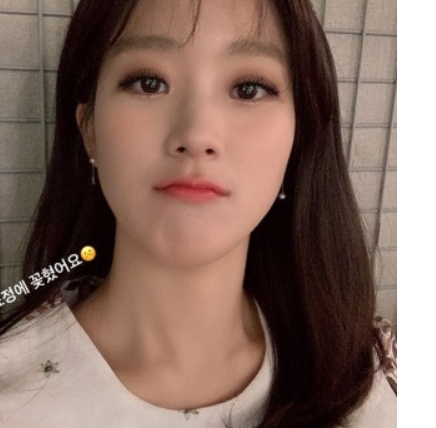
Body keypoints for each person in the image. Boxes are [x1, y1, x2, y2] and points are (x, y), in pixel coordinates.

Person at [0, 0, 397, 427]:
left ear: (298, 139)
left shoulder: (368, 373)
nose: (197, 134)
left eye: (248, 89)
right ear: (89, 130)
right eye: (149, 83)